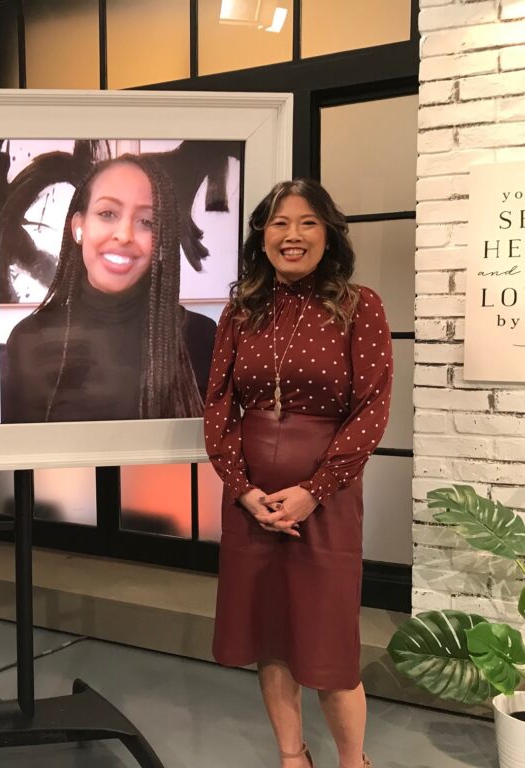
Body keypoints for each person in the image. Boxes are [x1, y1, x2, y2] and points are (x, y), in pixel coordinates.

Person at [204, 179, 392, 768]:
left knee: (330, 645)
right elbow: (218, 405)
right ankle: (293, 757)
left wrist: (314, 492)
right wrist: (243, 491)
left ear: (328, 234)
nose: (292, 235)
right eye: (279, 223)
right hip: (253, 501)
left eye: (307, 223)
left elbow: (372, 408)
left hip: (326, 500)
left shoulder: (361, 305)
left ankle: (353, 762)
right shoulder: (239, 310)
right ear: (261, 236)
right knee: (271, 638)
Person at [1, 154, 216, 423]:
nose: (124, 235)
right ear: (79, 227)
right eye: (107, 214)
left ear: (162, 242)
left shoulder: (200, 337)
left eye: (147, 222)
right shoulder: (29, 340)